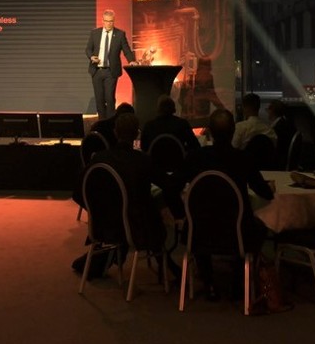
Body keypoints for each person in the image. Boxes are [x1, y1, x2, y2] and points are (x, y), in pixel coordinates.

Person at [179, 108, 275, 299]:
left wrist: (180, 212)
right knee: (260, 227)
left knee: (198, 222)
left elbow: (174, 185)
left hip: (199, 232)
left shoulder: (195, 158)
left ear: (209, 132)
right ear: (233, 132)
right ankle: (239, 281)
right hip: (237, 231)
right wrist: (269, 187)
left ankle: (208, 282)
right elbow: (264, 193)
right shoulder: (243, 159)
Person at [89, 112, 178, 267]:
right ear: (137, 134)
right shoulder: (143, 160)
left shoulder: (99, 159)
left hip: (104, 225)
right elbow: (168, 184)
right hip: (138, 228)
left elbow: (81, 193)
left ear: (115, 132)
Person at [85, 9, 134, 119]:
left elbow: (126, 50)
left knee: (110, 98)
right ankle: (102, 122)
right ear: (102, 21)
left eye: (111, 21)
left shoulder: (120, 34)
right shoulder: (95, 33)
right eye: (106, 21)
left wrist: (131, 61)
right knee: (99, 99)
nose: (108, 24)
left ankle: (111, 122)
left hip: (111, 72)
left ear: (114, 21)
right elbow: (88, 49)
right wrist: (91, 57)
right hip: (96, 71)